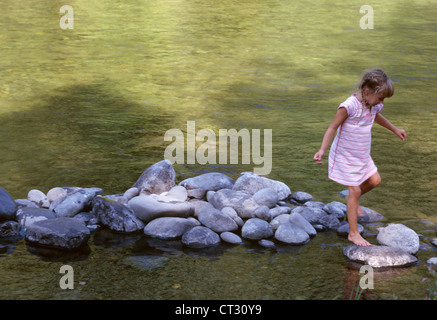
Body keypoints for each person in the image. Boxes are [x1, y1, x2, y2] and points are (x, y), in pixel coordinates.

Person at [313, 69, 407, 246]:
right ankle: (353, 233)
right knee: (355, 190)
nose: (382, 102)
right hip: (345, 155)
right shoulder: (348, 106)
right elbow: (332, 127)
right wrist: (322, 150)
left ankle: (351, 202)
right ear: (366, 92)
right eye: (380, 98)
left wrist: (395, 129)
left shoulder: (373, 105)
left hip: (361, 154)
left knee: (374, 180)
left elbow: (376, 116)